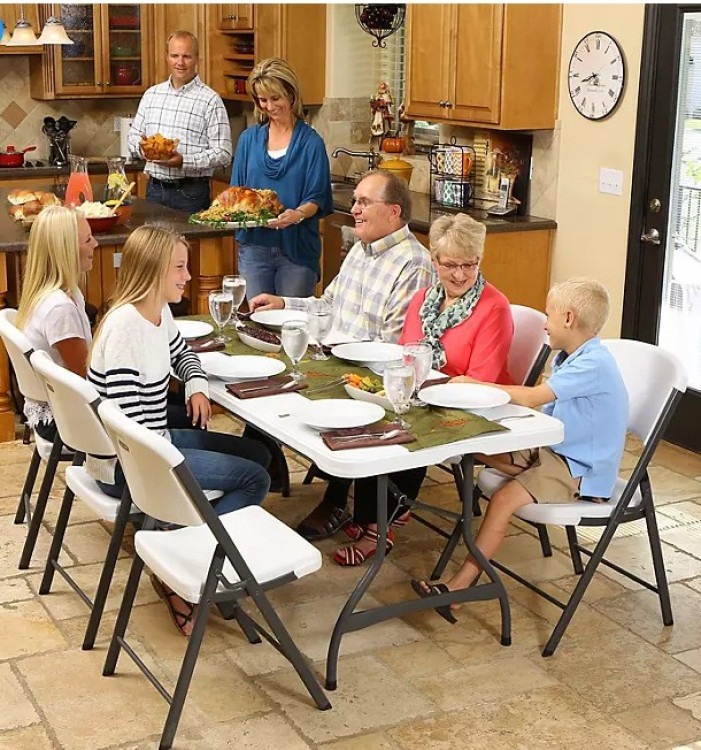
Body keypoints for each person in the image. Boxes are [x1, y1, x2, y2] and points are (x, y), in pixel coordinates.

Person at [87, 225, 271, 636]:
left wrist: (197, 384)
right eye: (180, 267)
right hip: (129, 467)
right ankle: (183, 560)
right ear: (153, 270)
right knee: (255, 479)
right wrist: (176, 469)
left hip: (153, 445)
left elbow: (183, 354)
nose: (188, 276)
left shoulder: (156, 311)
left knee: (260, 455)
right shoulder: (125, 329)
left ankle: (184, 539)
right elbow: (131, 434)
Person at [411, 277, 629, 622]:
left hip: (579, 468)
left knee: (503, 499)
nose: (545, 323)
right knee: (473, 448)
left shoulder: (593, 364)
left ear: (568, 318)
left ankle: (460, 587)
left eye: (549, 314)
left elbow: (532, 397)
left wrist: (477, 385)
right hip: (554, 450)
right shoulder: (572, 357)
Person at [250, 170, 434, 539]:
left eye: (364, 202)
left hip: (370, 374)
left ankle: (335, 499)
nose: (355, 209)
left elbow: (390, 344)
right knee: (263, 379)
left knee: (288, 384)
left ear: (394, 211)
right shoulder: (361, 251)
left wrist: (332, 352)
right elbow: (326, 306)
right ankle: (256, 473)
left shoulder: (413, 263)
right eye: (355, 202)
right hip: (336, 357)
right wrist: (284, 303)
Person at [334, 213, 515, 566]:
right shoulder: (421, 300)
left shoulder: (494, 307)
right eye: (450, 265)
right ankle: (375, 512)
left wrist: (425, 390)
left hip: (472, 406)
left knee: (404, 427)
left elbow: (481, 379)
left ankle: (381, 526)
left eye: (469, 264)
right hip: (426, 394)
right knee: (377, 415)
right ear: (434, 260)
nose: (460, 275)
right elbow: (405, 356)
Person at [231, 57, 333, 299]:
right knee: (257, 317)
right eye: (262, 100)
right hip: (254, 249)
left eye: (275, 98)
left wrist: (296, 215)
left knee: (292, 318)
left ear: (291, 94)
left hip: (296, 250)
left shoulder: (311, 143)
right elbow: (236, 193)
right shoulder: (248, 140)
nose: (269, 106)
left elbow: (316, 198)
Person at [15, 205, 98, 442]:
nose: (95, 244)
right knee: (168, 412)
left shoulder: (54, 294)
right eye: (88, 240)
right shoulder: (60, 309)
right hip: (64, 422)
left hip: (61, 408)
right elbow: (87, 377)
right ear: (66, 251)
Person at [128, 31, 232, 213]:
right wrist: (143, 149)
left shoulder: (210, 100)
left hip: (191, 193)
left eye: (186, 56)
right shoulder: (152, 95)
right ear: (167, 57)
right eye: (175, 56)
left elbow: (224, 153)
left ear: (197, 59)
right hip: (154, 190)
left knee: (188, 234)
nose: (180, 62)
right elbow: (133, 138)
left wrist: (184, 161)